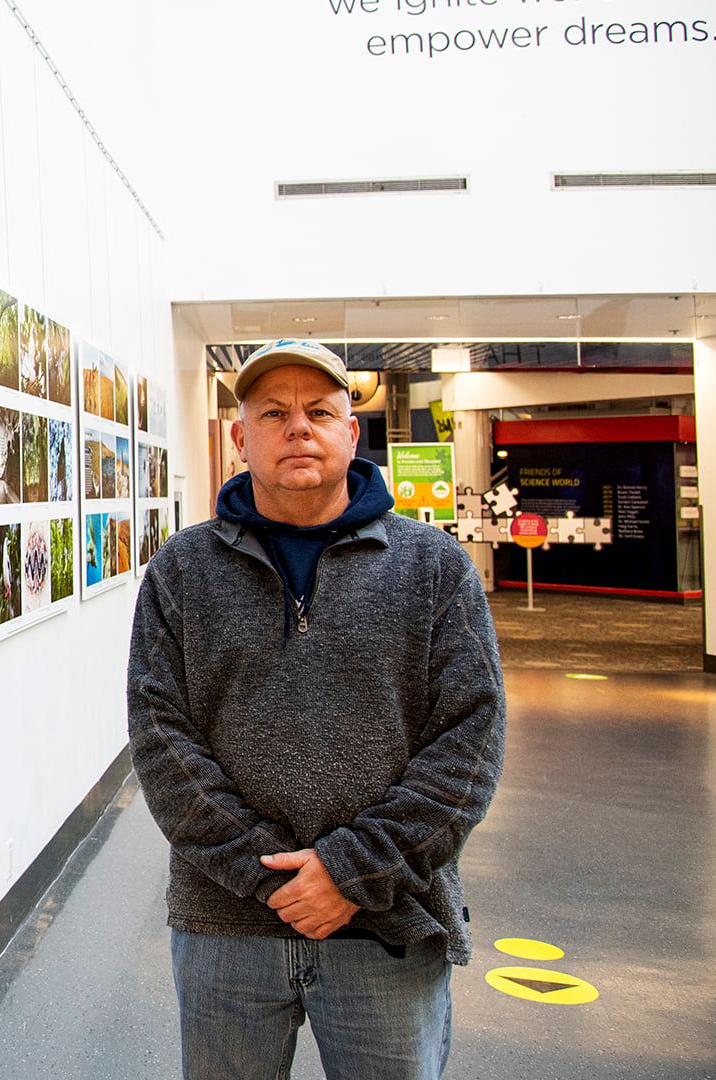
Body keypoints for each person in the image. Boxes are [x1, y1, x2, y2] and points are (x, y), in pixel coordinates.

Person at [128, 339, 505, 1080]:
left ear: (351, 433)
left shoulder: (433, 567)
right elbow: (160, 735)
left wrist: (349, 874)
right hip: (226, 926)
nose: (298, 427)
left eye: (320, 411)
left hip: (388, 925)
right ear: (241, 437)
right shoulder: (183, 568)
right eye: (274, 412)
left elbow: (470, 743)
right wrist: (274, 879)